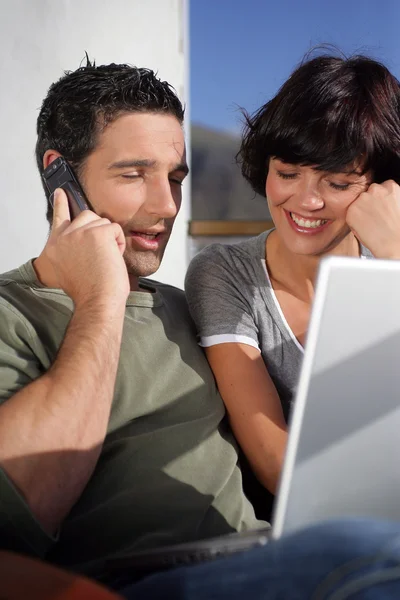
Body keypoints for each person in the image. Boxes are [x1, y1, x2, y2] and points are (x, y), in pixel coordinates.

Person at [2, 56, 400, 600]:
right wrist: (99, 297)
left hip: (264, 556)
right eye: (133, 174)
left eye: (174, 179)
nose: (167, 206)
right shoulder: (14, 311)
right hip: (140, 576)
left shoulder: (179, 307)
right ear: (59, 174)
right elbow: (17, 509)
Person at [185, 53, 400, 497]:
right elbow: (274, 463)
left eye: (337, 183)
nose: (306, 201)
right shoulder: (226, 275)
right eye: (287, 173)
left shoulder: (388, 268)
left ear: (381, 186)